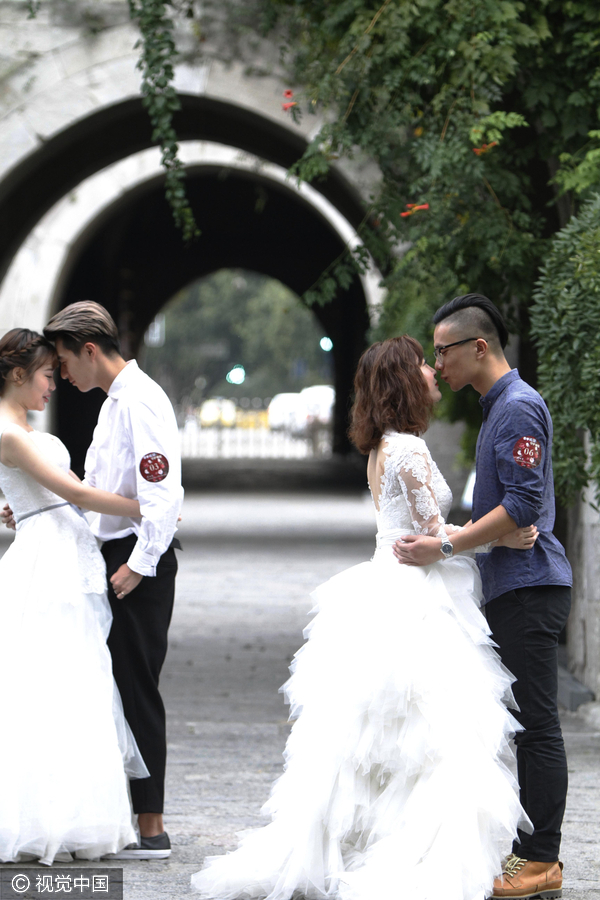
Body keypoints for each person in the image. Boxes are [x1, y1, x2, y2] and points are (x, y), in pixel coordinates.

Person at [191, 335, 536, 900]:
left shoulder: (382, 448)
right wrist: (504, 535)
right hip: (414, 594)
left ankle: (360, 843)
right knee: (428, 733)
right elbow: (434, 537)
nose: (432, 370)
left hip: (382, 586)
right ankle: (410, 852)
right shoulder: (409, 450)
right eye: (422, 364)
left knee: (374, 735)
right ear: (404, 380)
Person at [394, 295, 572, 900]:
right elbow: (513, 510)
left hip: (530, 587)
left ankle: (541, 858)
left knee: (537, 724)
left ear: (478, 347)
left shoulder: (519, 408)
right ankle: (529, 850)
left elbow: (522, 505)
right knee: (523, 723)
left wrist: (447, 548)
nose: (436, 363)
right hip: (511, 583)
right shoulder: (497, 409)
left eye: (442, 350)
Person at [0, 327, 149, 865]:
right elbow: (78, 492)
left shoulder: (20, 429)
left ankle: (71, 814)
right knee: (50, 682)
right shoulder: (10, 433)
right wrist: (148, 509)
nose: (53, 385)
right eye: (45, 375)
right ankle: (40, 819)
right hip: (47, 562)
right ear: (18, 376)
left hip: (61, 548)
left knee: (76, 679)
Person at [42, 301, 184, 860]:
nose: (61, 374)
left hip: (136, 560)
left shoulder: (141, 401)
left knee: (135, 688)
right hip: (116, 553)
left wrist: (138, 565)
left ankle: (152, 827)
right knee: (112, 687)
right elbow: (100, 490)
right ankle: (129, 818)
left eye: (63, 362)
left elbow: (161, 495)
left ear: (90, 350)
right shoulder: (113, 404)